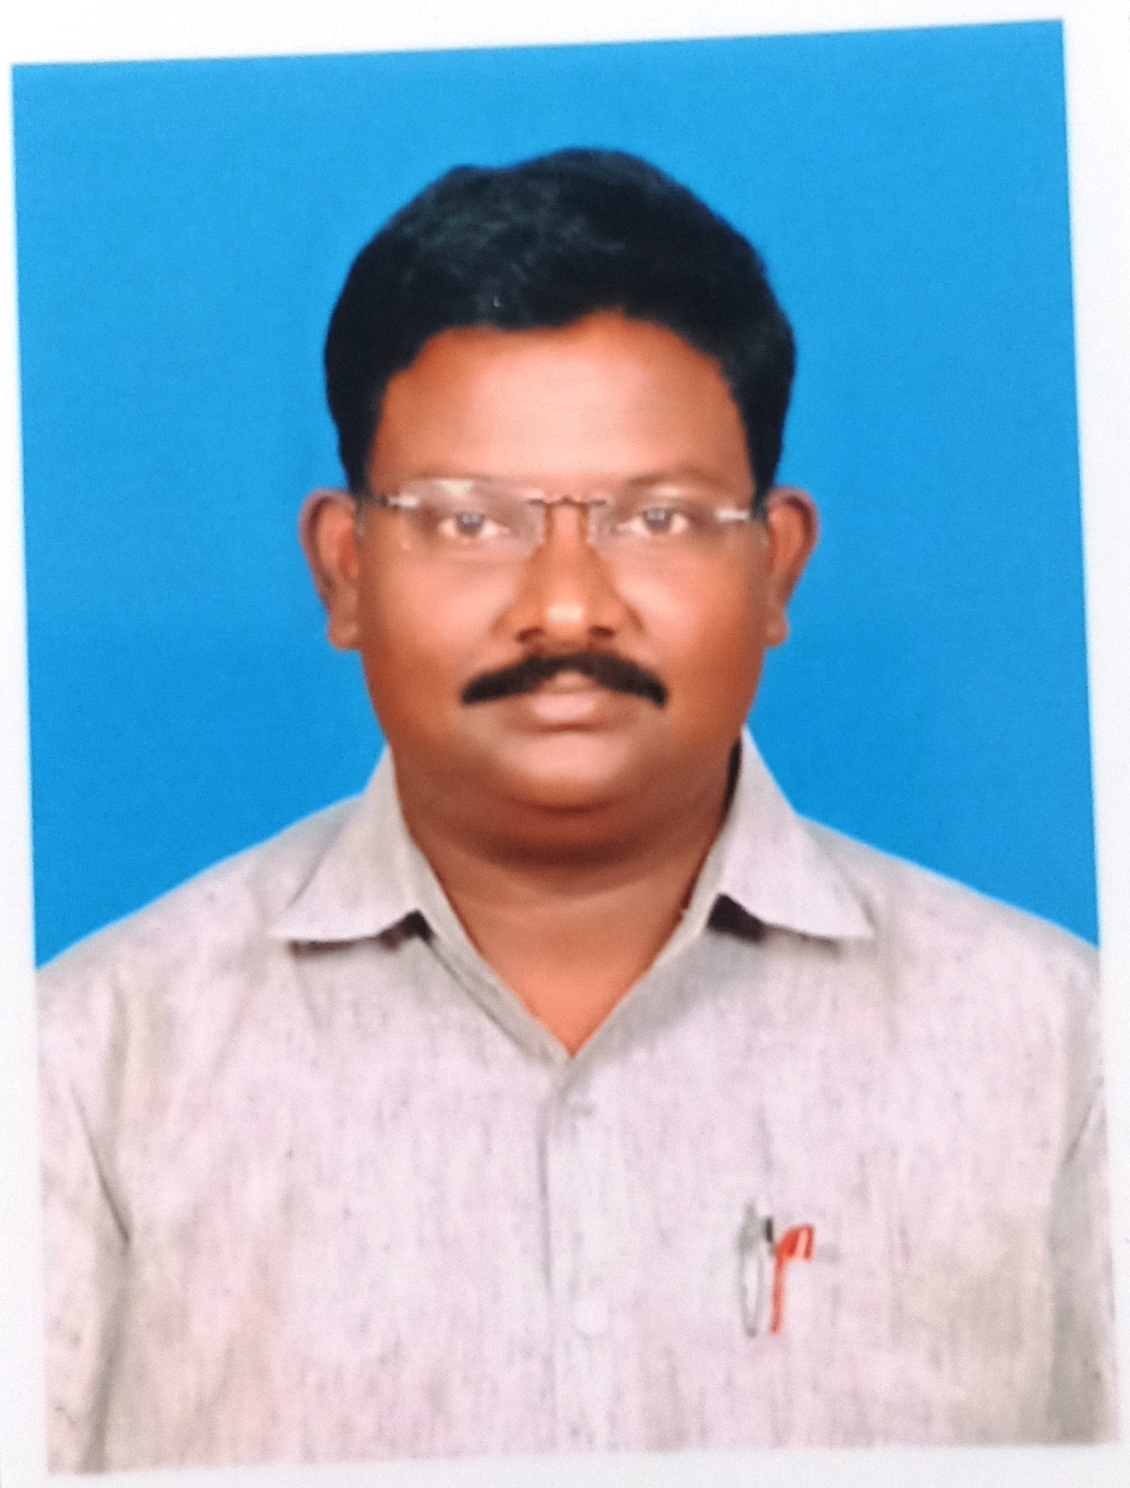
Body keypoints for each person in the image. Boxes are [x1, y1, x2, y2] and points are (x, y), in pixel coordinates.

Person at [38, 148, 1116, 1471]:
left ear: (775, 565)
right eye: (467, 522)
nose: (564, 607)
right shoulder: (86, 1069)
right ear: (344, 569)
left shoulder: (1062, 1057)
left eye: (656, 520)